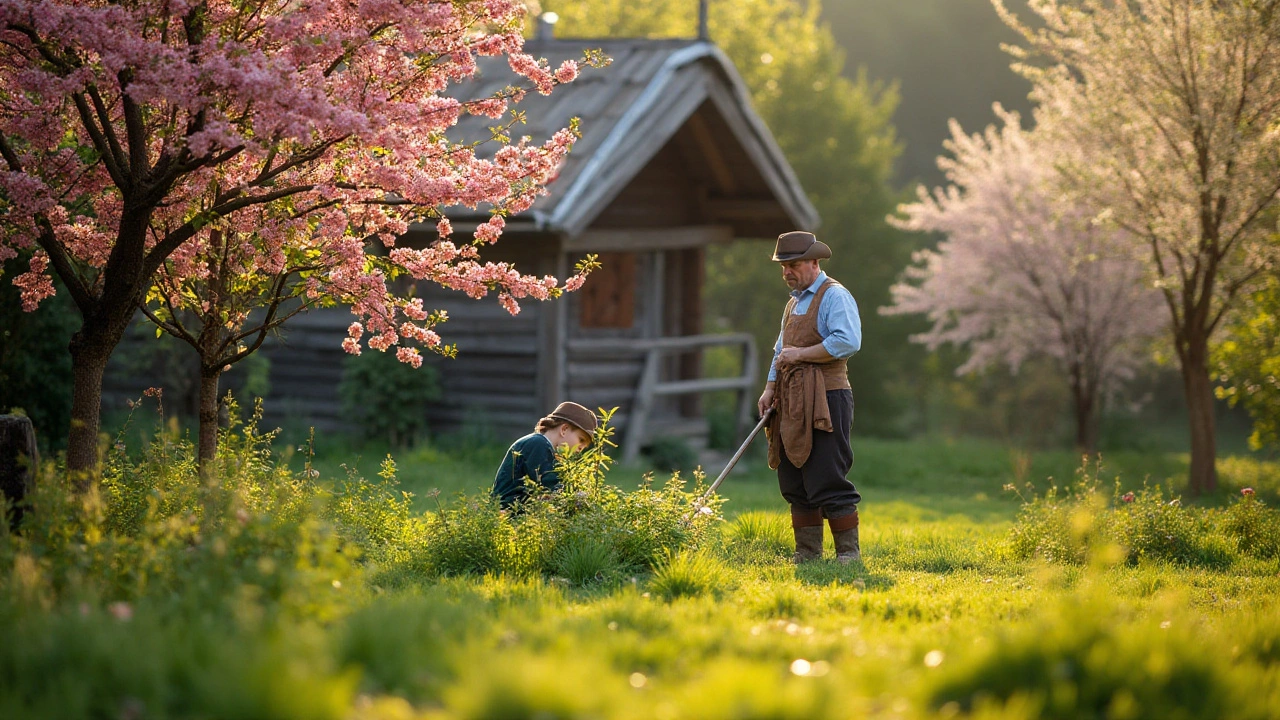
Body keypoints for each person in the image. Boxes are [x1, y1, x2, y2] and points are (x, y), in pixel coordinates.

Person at [757, 231, 863, 563]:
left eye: (794, 264)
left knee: (826, 475)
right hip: (790, 400)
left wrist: (801, 355)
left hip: (827, 398)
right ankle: (807, 553)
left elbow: (848, 341)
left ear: (814, 262)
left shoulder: (835, 296)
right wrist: (770, 388)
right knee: (794, 478)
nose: (788, 272)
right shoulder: (794, 302)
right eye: (783, 266)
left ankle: (848, 555)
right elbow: (780, 351)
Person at [492, 401, 598, 509]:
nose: (581, 448)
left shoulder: (545, 447)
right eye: (581, 440)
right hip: (507, 515)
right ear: (564, 429)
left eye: (585, 446)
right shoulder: (538, 444)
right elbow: (549, 485)